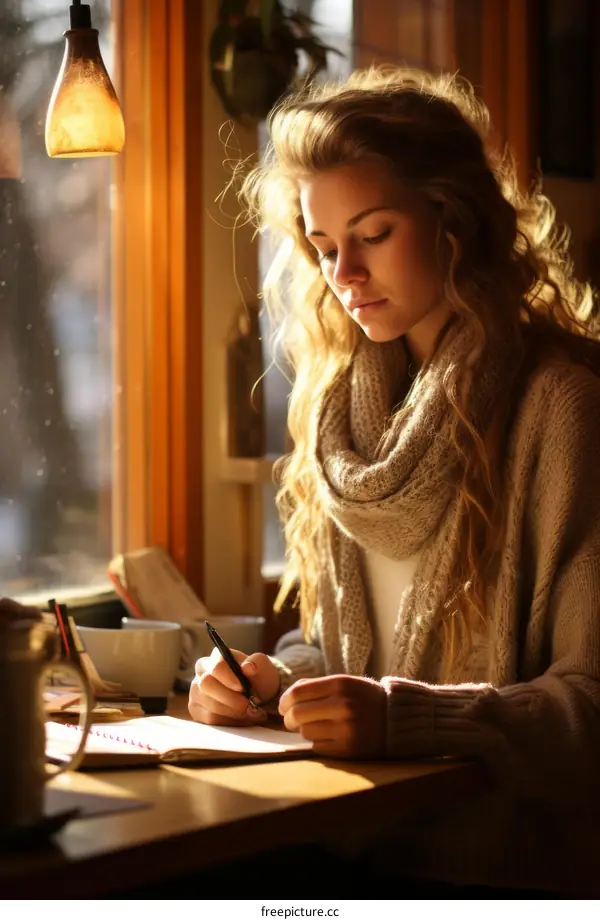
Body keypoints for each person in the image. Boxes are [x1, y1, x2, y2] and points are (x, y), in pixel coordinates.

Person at [189, 66, 600, 896]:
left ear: (454, 218)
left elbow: (588, 704)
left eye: (373, 234)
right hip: (346, 848)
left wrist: (405, 718)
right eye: (324, 246)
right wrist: (280, 680)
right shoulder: (337, 414)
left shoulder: (561, 407)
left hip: (506, 879)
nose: (344, 273)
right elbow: (348, 646)